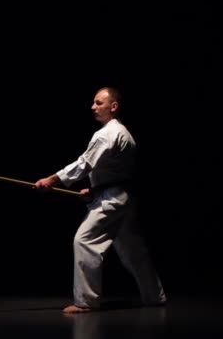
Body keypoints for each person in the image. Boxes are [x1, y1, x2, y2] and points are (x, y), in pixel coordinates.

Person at [34, 86, 167, 313]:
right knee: (133, 250)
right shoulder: (124, 133)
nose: (93, 107)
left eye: (98, 103)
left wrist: (52, 180)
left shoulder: (107, 133)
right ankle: (155, 296)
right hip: (121, 197)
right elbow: (115, 172)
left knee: (84, 240)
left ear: (113, 107)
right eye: (94, 103)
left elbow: (84, 163)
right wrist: (95, 190)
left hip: (112, 199)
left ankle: (86, 302)